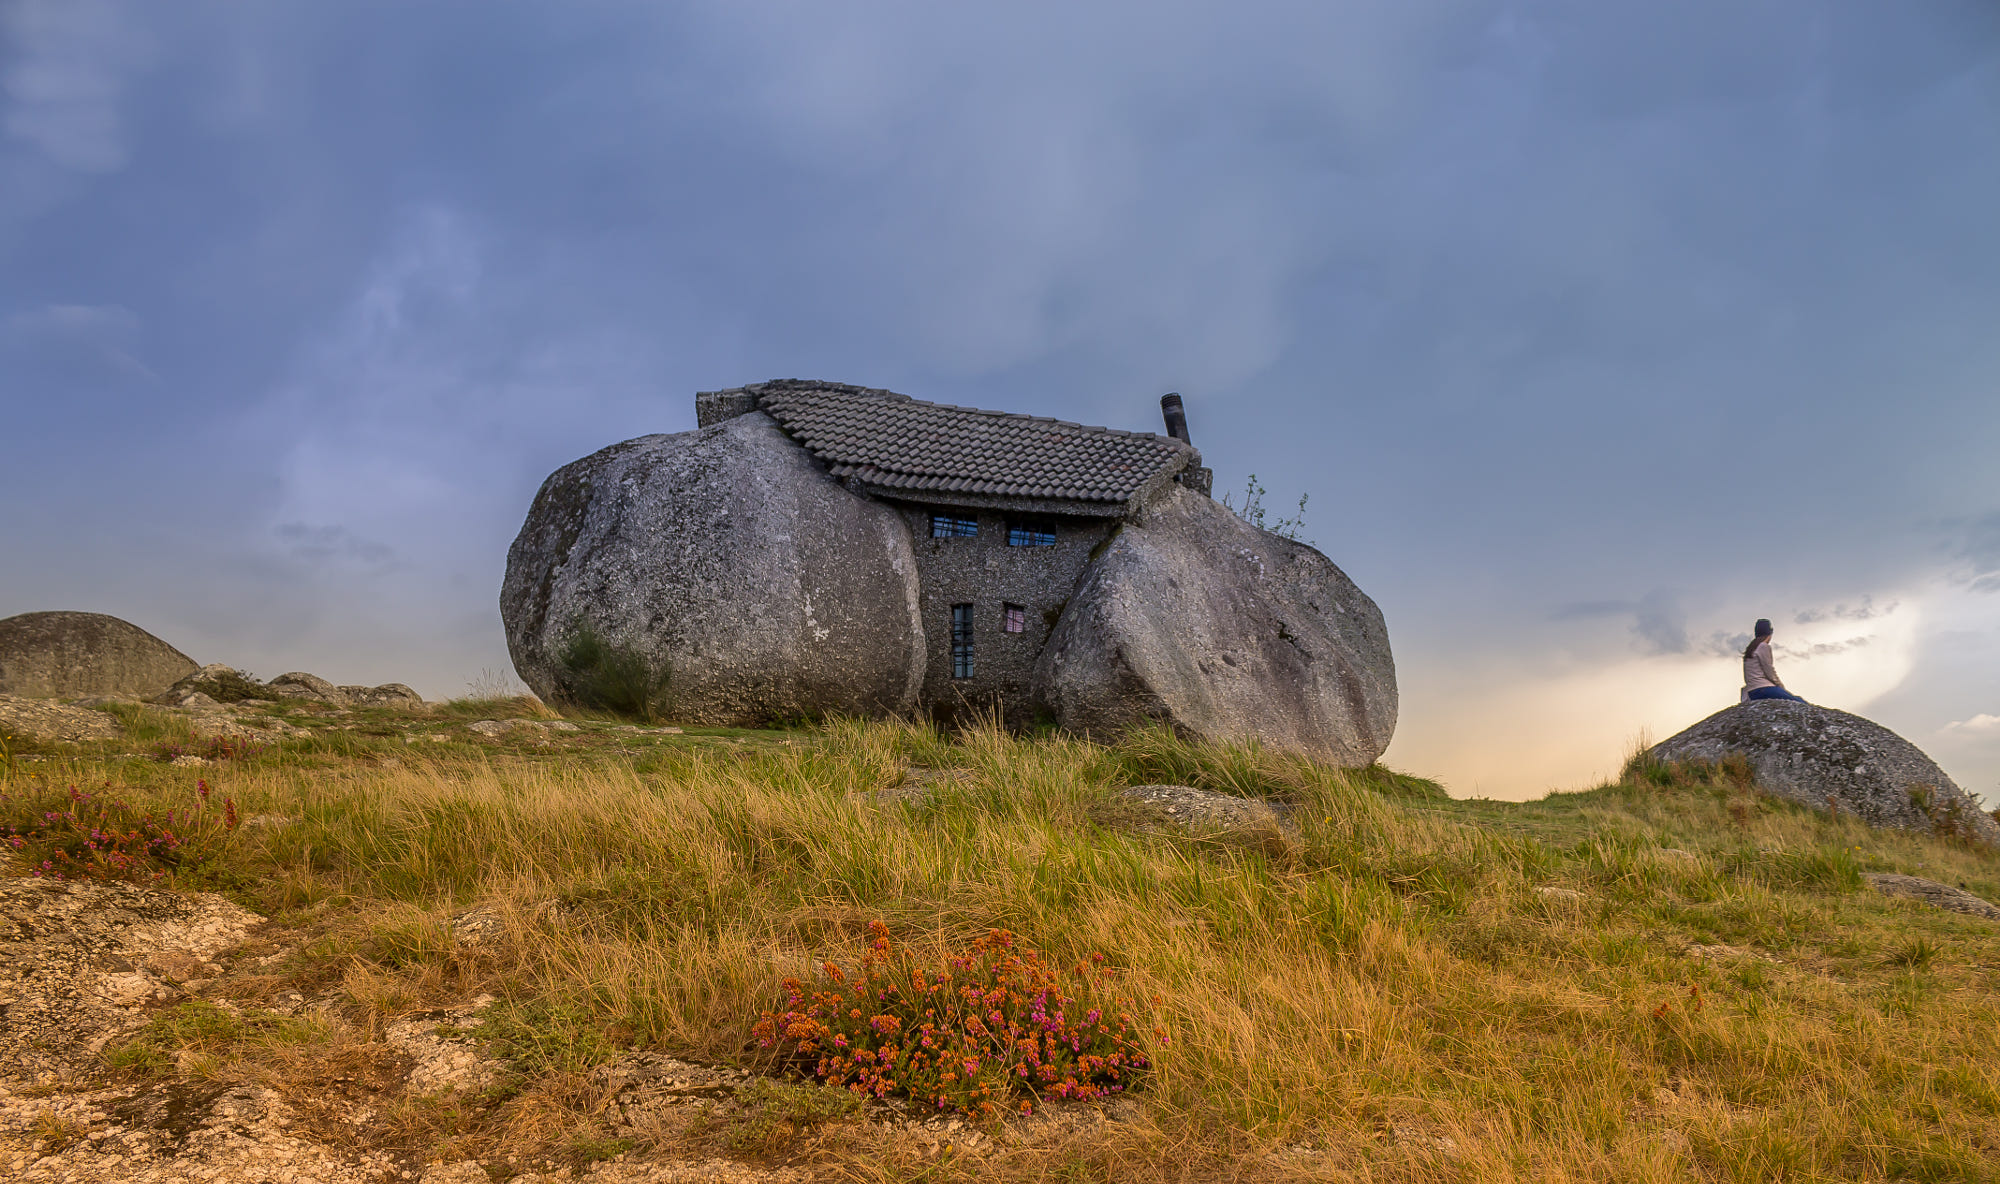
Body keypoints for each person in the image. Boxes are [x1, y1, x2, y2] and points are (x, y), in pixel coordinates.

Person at [1741, 619, 1806, 703]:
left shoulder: (1751, 648)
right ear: (1770, 633)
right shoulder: (1763, 646)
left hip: (1752, 691)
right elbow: (1769, 670)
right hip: (1763, 688)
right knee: (1799, 701)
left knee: (1794, 698)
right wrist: (1780, 686)